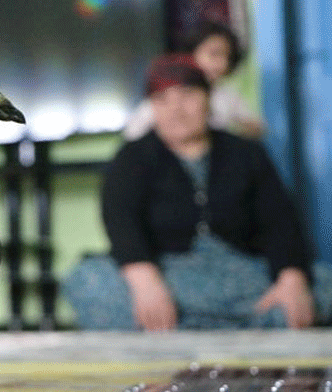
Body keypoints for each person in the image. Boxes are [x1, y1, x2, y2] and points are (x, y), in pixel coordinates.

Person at [63, 54, 332, 331]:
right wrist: (145, 281)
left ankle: (192, 328)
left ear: (209, 97)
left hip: (242, 274)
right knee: (89, 280)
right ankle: (247, 327)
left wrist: (291, 279)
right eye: (162, 100)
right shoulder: (132, 158)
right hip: (168, 276)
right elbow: (121, 223)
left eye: (187, 95)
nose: (176, 110)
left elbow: (281, 222)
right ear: (151, 107)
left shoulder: (246, 153)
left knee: (322, 284)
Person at [122, 20, 264, 141]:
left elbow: (256, 127)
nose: (222, 63)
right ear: (191, 53)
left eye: (227, 57)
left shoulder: (226, 95)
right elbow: (132, 134)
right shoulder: (169, 92)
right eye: (214, 54)